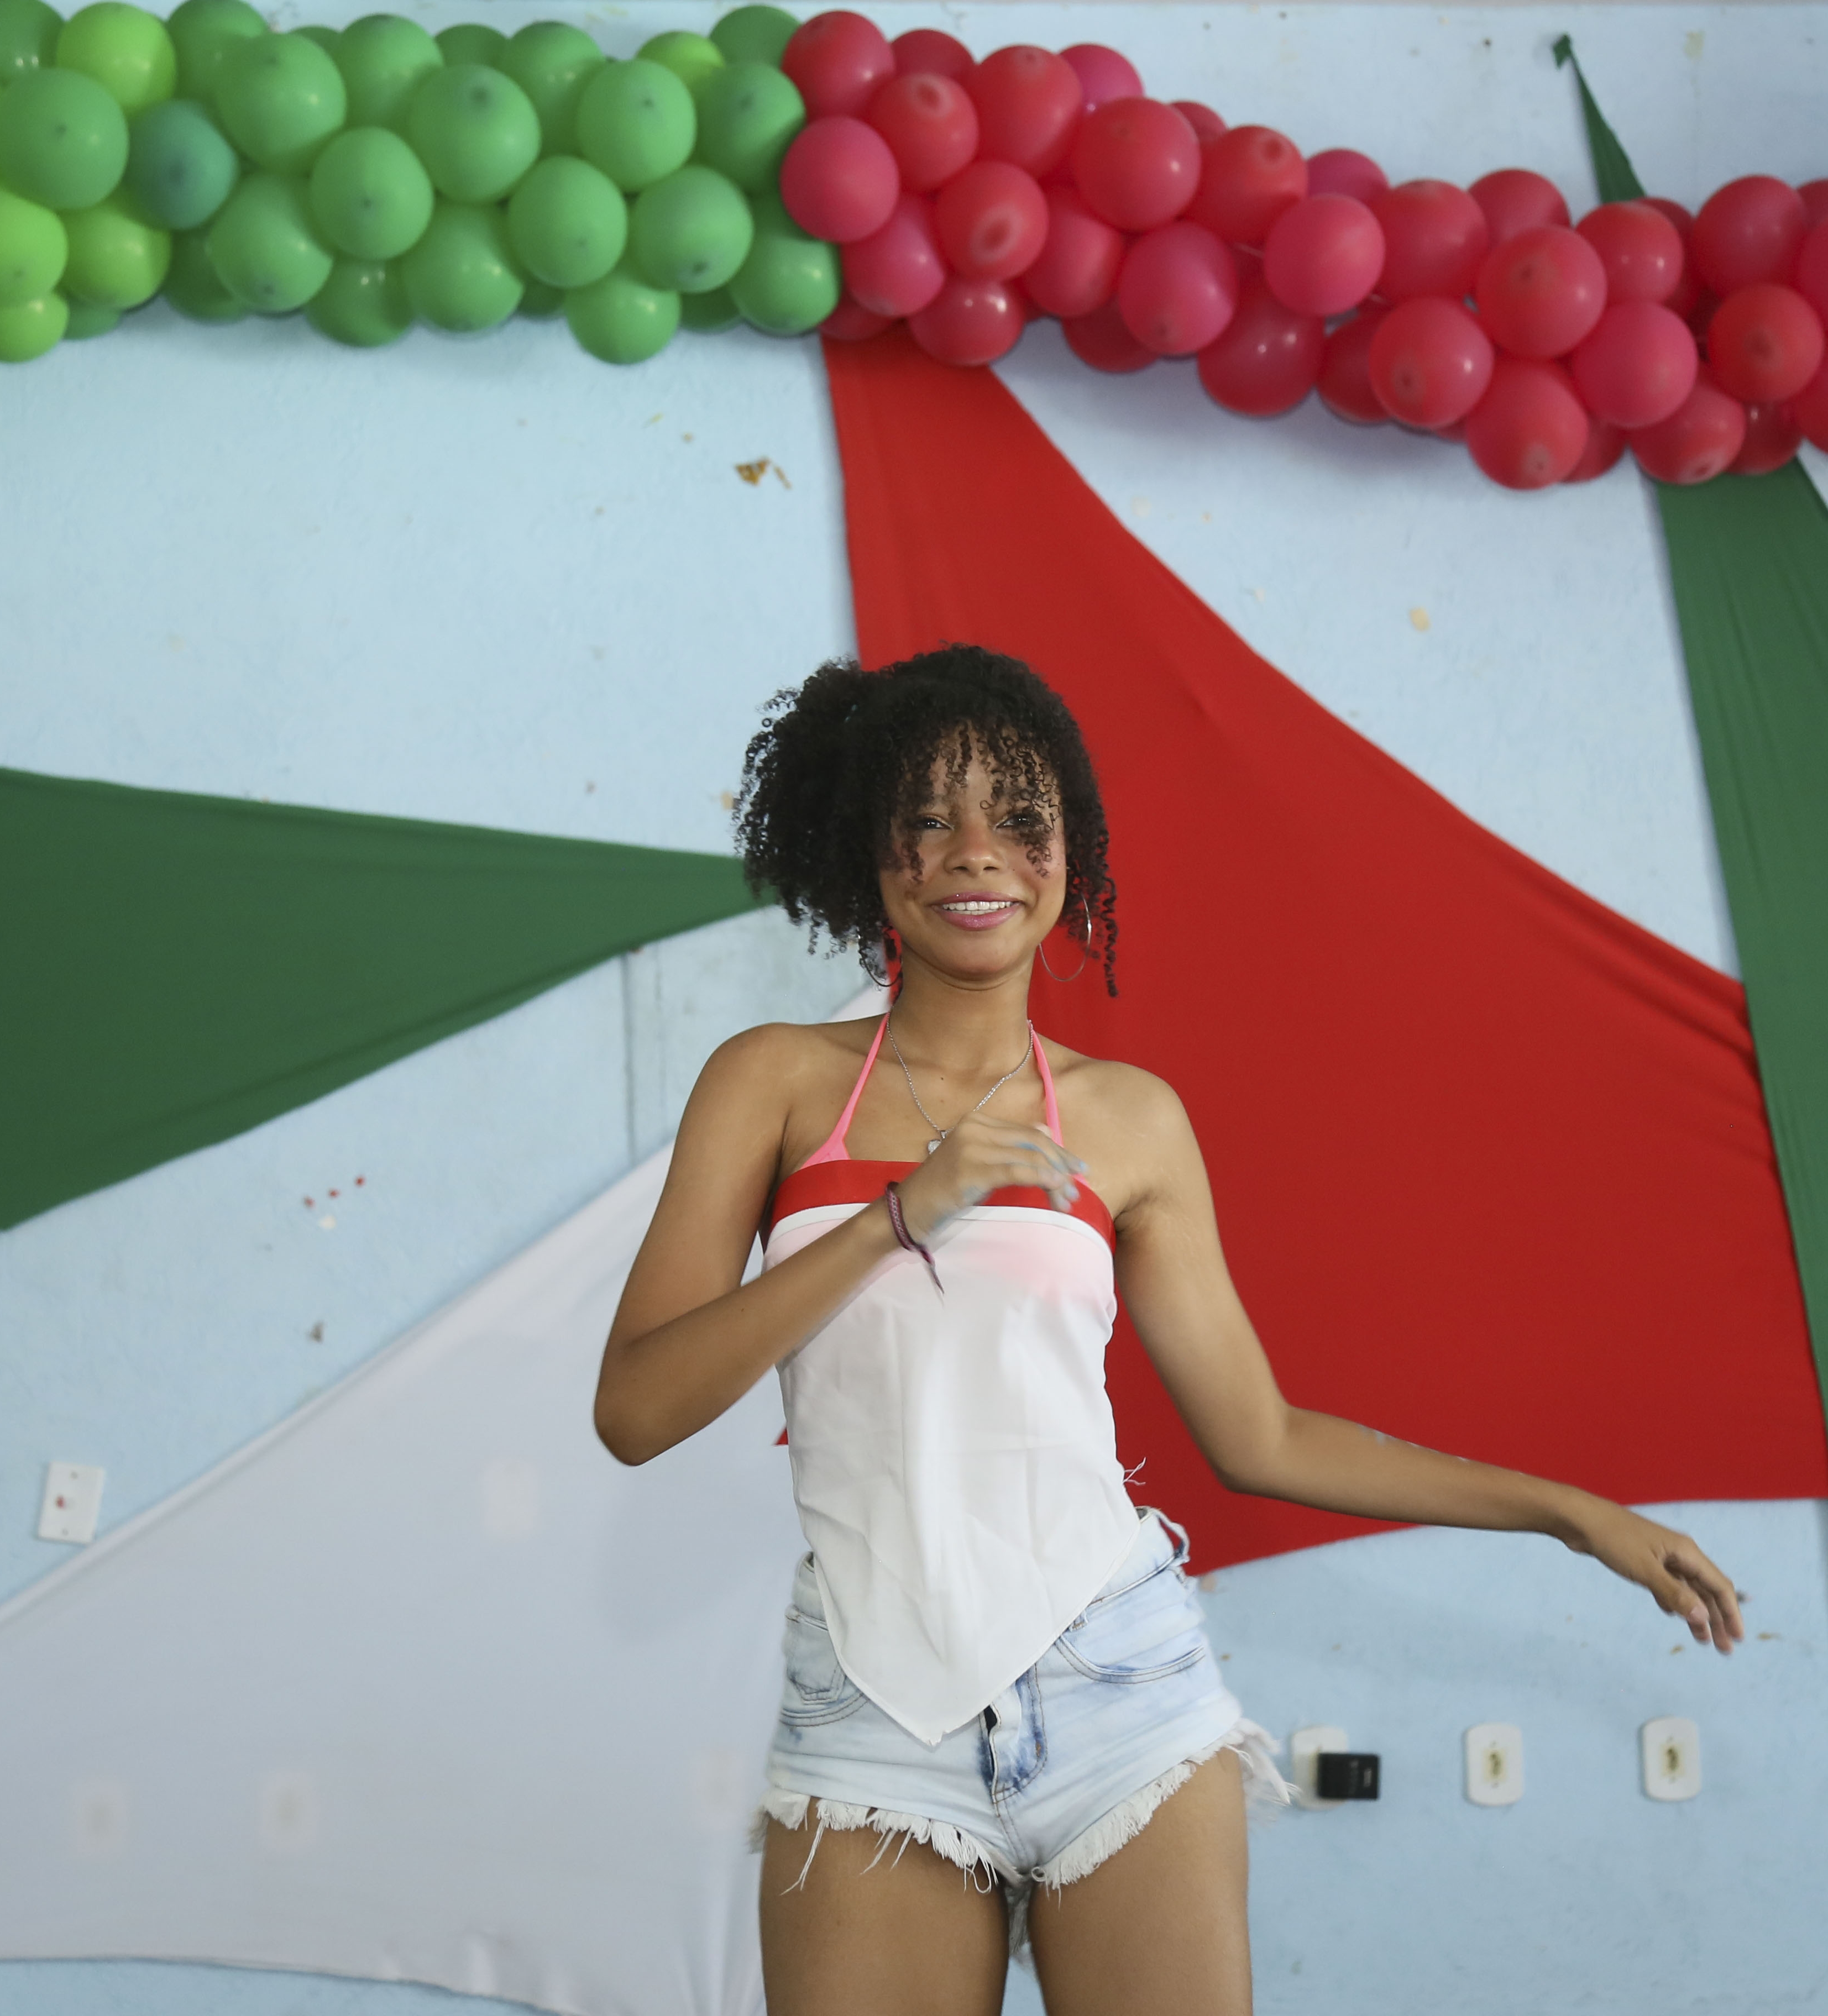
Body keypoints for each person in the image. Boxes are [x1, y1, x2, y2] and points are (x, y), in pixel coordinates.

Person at [595, 645, 1743, 2016]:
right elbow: (638, 1410)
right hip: (870, 1703)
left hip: (1120, 1689)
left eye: (1022, 820)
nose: (977, 853)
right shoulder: (773, 1082)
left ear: (1070, 857)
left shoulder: (1129, 1118)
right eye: (929, 819)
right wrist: (903, 1213)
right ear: (869, 851)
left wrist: (1569, 1514)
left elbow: (1263, 1438)